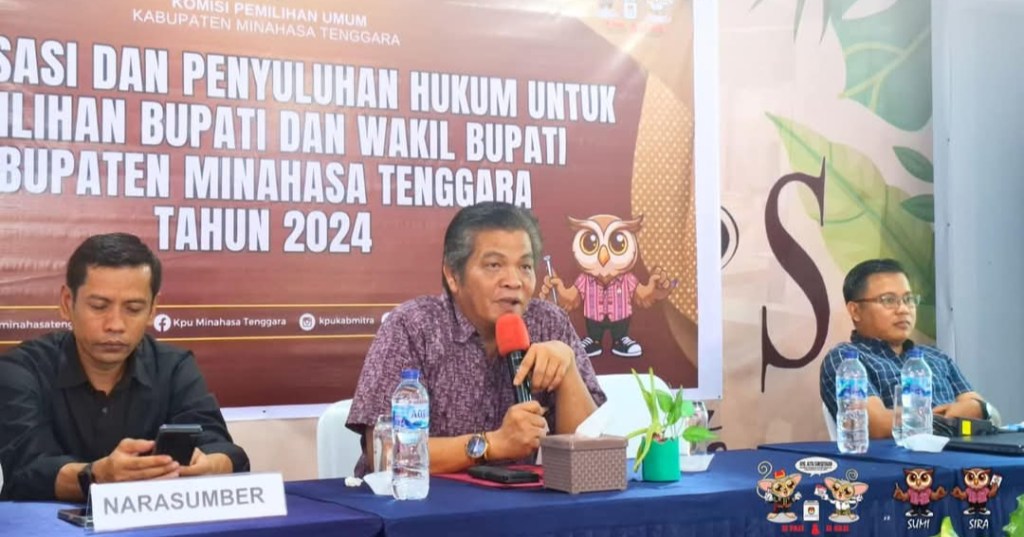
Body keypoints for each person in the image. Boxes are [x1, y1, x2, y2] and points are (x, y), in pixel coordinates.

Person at [348, 202, 606, 476]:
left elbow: (591, 462)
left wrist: (568, 370)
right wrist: (492, 445)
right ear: (453, 275)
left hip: (516, 500)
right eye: (494, 265)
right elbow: (385, 452)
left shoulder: (549, 324)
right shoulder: (413, 327)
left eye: (525, 266)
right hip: (421, 499)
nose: (514, 281)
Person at [0, 233, 248, 501]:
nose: (115, 325)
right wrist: (96, 476)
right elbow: (25, 470)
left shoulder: (173, 367)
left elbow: (224, 449)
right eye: (99, 306)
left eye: (133, 308)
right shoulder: (22, 370)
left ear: (152, 309)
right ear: (67, 303)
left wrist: (208, 467)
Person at [820, 258, 993, 438]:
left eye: (908, 299)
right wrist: (953, 420)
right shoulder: (846, 361)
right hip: (899, 455)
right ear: (855, 311)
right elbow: (876, 425)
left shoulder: (936, 357)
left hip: (963, 452)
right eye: (888, 300)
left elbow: (990, 415)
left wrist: (979, 409)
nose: (903, 309)